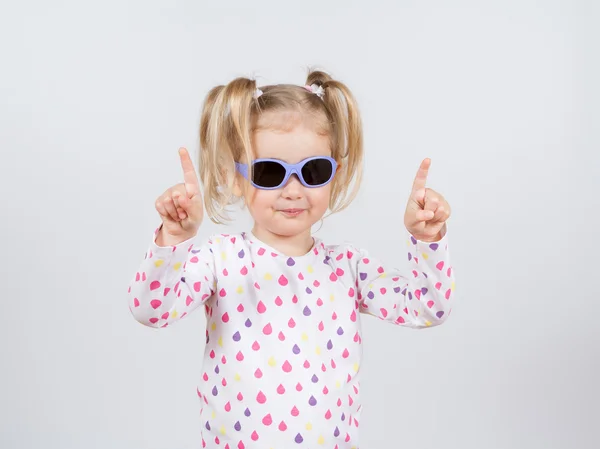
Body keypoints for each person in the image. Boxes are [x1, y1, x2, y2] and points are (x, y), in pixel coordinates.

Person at [127, 70, 455, 449]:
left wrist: (427, 238)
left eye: (314, 171)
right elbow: (150, 310)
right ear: (233, 177)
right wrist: (174, 240)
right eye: (269, 173)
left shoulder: (349, 267)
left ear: (336, 175)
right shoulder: (220, 260)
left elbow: (429, 307)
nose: (293, 189)